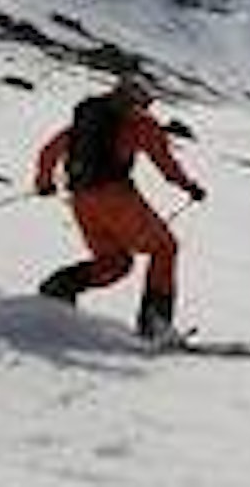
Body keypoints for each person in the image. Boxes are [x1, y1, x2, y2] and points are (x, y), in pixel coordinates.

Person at [34, 74, 206, 341]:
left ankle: (60, 286)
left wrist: (44, 183)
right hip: (116, 199)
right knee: (164, 248)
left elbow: (49, 152)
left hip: (81, 202)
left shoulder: (86, 123)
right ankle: (155, 325)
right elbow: (165, 163)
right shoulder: (140, 124)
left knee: (116, 263)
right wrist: (189, 186)